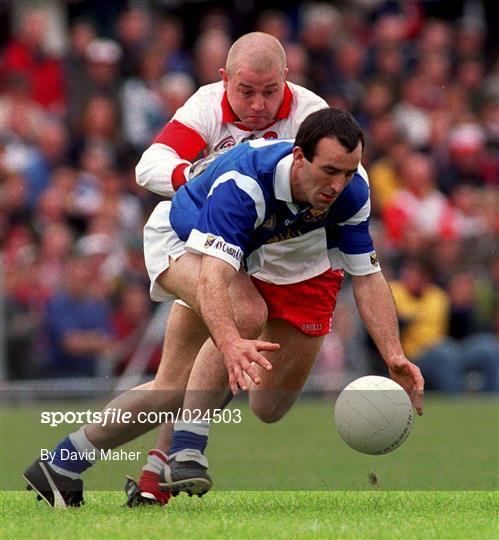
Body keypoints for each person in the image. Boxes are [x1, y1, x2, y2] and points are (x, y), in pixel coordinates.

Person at [23, 107, 423, 509]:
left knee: (176, 391)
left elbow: (368, 277)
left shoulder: (351, 193)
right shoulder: (246, 183)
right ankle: (186, 450)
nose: (338, 185)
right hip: (178, 240)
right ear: (300, 157)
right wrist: (230, 342)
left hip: (239, 259)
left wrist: (393, 354)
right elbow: (214, 278)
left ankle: (60, 465)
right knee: (246, 316)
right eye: (330, 171)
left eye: (349, 173)